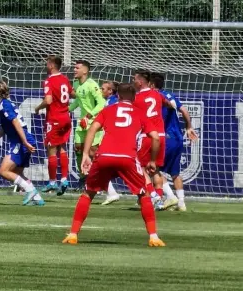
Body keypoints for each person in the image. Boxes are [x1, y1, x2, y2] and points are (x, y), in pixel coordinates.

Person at [62, 83, 165, 247]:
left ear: (118, 97)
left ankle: (73, 234)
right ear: (134, 98)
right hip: (127, 158)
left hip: (104, 156)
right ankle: (153, 236)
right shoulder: (140, 113)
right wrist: (152, 160)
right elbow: (156, 137)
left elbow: (92, 129)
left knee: (88, 193)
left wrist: (86, 156)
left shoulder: (108, 110)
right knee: (144, 195)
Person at [149, 73, 198, 211]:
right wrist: (188, 126)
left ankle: (170, 196)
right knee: (174, 172)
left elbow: (171, 107)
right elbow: (183, 109)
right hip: (177, 138)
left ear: (151, 85)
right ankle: (181, 203)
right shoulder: (170, 94)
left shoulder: (154, 97)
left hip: (166, 138)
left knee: (152, 169)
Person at [0, 80, 43, 206]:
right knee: (18, 173)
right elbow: (6, 128)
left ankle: (30, 190)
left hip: (21, 140)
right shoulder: (5, 105)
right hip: (23, 139)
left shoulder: (5, 105)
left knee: (3, 171)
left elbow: (15, 123)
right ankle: (38, 199)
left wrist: (24, 142)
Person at [133, 69, 172, 210]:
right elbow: (169, 104)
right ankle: (160, 200)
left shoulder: (136, 98)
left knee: (140, 168)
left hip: (147, 136)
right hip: (161, 136)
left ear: (140, 81)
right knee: (155, 170)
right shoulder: (157, 94)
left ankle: (154, 196)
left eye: (134, 79)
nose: (133, 81)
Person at [34, 55, 73, 196]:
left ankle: (52, 181)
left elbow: (48, 100)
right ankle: (64, 180)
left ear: (51, 65)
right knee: (62, 148)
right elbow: (72, 93)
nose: (46, 65)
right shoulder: (65, 79)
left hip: (54, 119)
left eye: (47, 63)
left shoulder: (49, 81)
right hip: (66, 118)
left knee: (51, 150)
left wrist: (38, 108)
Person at [69, 60, 106, 188]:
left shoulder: (92, 85)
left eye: (77, 68)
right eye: (74, 67)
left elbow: (102, 104)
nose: (74, 70)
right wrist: (66, 110)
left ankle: (98, 178)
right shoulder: (75, 84)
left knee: (92, 152)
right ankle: (84, 177)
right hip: (82, 122)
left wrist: (89, 115)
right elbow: (78, 102)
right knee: (78, 148)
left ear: (85, 71)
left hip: (94, 121)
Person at [98, 80, 122, 206]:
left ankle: (154, 196)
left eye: (103, 88)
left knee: (99, 165)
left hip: (114, 139)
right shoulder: (120, 101)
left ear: (110, 91)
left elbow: (106, 120)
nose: (101, 90)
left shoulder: (110, 103)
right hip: (124, 138)